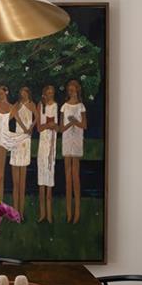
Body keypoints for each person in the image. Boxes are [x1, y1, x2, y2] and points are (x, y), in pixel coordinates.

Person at [60, 79, 87, 224]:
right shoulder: (64, 107)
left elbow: (84, 125)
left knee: (76, 177)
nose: (71, 92)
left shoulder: (81, 106)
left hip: (76, 140)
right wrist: (70, 122)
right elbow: (61, 128)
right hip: (66, 140)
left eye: (73, 89)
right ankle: (69, 213)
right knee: (67, 178)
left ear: (77, 90)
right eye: (69, 90)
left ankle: (77, 212)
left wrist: (75, 121)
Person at [10, 86, 36, 217]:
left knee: (22, 181)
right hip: (17, 137)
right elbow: (11, 117)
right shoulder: (17, 105)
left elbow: (37, 117)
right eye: (21, 93)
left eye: (25, 92)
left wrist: (30, 127)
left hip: (26, 139)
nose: (23, 94)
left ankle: (22, 211)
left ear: (28, 93)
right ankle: (15, 211)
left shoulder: (31, 104)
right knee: (15, 182)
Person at [36, 85, 58, 223]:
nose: (50, 95)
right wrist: (47, 125)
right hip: (42, 144)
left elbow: (57, 126)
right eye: (48, 93)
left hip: (51, 143)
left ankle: (49, 215)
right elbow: (39, 128)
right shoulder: (40, 106)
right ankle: (42, 213)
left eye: (52, 93)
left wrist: (53, 126)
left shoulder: (55, 105)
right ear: (44, 93)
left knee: (50, 178)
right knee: (41, 179)